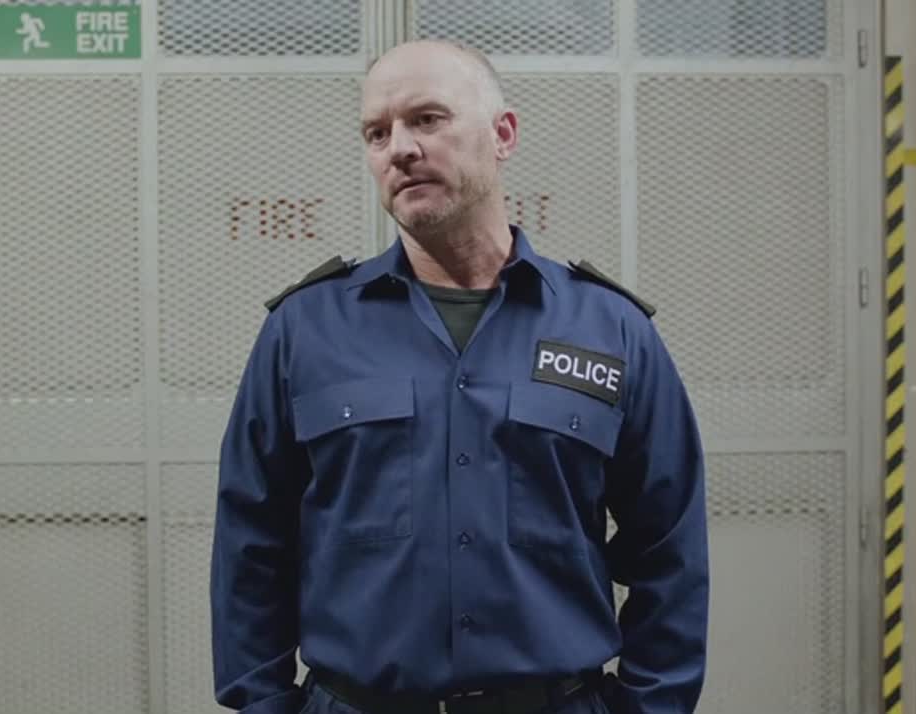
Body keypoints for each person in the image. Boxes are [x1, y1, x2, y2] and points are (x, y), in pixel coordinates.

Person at [210, 39, 708, 714]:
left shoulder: (609, 330)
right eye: (376, 133)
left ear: (503, 135)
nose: (399, 148)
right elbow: (250, 545)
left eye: (427, 119)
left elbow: (670, 548)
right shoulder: (304, 331)